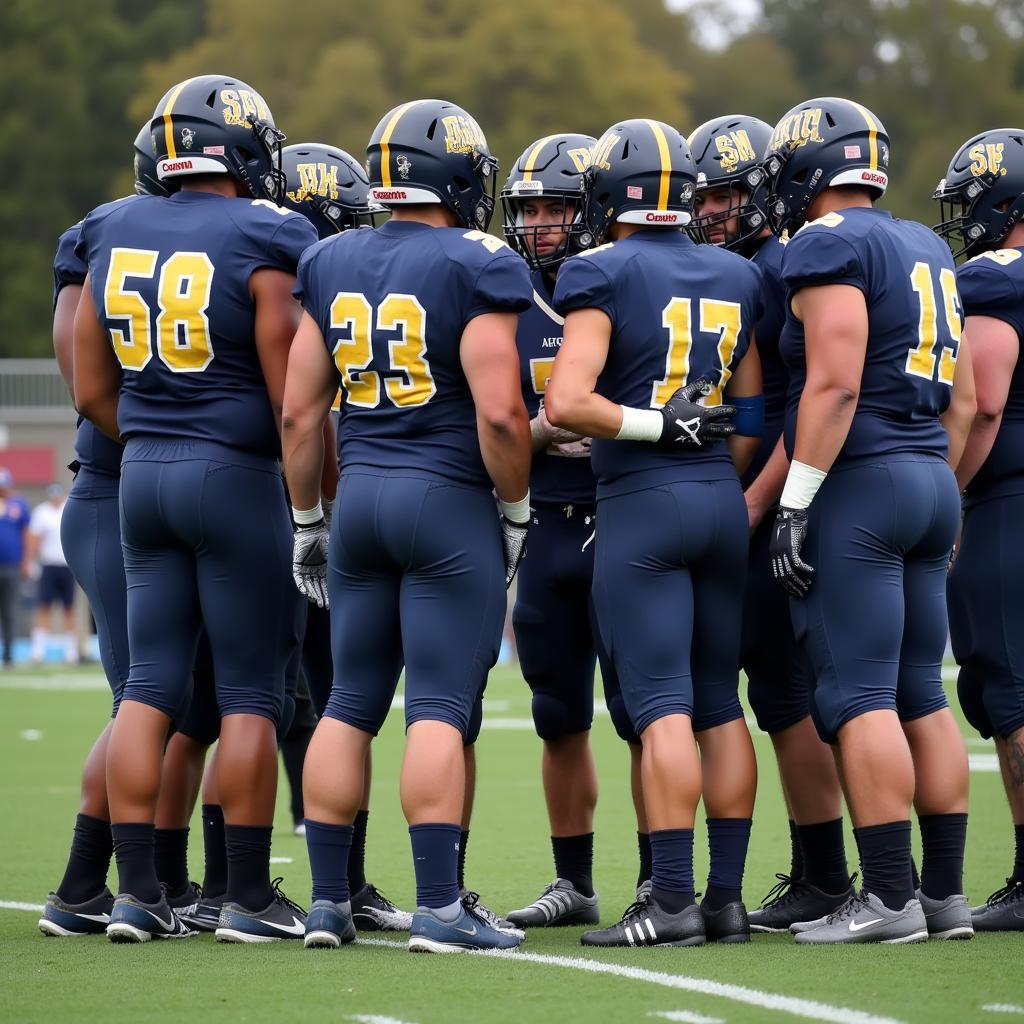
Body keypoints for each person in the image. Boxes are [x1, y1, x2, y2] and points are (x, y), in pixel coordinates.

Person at [281, 98, 532, 953]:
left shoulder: (328, 257)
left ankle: (325, 903)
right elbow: (500, 417)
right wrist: (517, 509)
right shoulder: (479, 259)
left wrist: (309, 516)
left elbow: (299, 415)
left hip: (363, 503)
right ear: (459, 175)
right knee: (435, 705)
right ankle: (438, 905)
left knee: (348, 702)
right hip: (446, 500)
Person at [73, 73, 318, 943]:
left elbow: (90, 383)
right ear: (245, 150)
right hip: (236, 474)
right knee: (253, 692)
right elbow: (293, 394)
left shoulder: (111, 227)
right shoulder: (268, 230)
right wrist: (305, 494)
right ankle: (247, 894)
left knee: (149, 685)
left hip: (140, 472)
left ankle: (138, 890)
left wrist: (155, 431)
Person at [545, 117, 764, 947]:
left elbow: (567, 402)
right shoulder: (737, 274)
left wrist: (651, 429)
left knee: (663, 704)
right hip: (716, 499)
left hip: (641, 500)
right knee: (720, 705)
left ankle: (670, 902)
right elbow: (750, 413)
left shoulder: (598, 270)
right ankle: (726, 900)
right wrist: (711, 466)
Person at [763, 97, 975, 943]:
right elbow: (962, 401)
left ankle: (888, 896)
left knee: (858, 695)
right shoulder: (925, 242)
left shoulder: (828, 241)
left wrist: (795, 500)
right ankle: (945, 897)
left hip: (861, 482)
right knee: (922, 693)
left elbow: (836, 383)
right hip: (927, 472)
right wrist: (940, 484)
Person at [688, 114, 853, 932]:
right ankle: (824, 871)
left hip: (785, 504)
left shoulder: (791, 264)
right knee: (779, 696)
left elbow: (803, 404)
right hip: (752, 500)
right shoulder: (738, 267)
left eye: (726, 192)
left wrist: (756, 503)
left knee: (803, 695)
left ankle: (846, 874)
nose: (710, 209)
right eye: (703, 193)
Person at [497, 133, 647, 929]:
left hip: (624, 518)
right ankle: (575, 881)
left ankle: (662, 878)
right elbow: (478, 419)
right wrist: (537, 429)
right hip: (547, 523)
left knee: (642, 711)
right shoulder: (500, 289)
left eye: (558, 206)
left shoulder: (631, 282)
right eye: (530, 209)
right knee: (558, 712)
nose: (543, 224)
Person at [278, 141, 411, 932]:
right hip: (309, 499)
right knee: (313, 699)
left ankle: (182, 884)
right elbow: (301, 415)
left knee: (294, 701)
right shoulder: (305, 277)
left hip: (281, 496)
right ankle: (280, 888)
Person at [937, 127, 1024, 931]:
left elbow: (985, 399)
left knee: (1011, 688)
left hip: (1008, 508)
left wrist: (950, 489)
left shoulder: (995, 282)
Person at [25, 485, 76, 664]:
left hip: (67, 566)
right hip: (48, 566)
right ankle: (38, 651)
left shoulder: (68, 510)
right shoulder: (42, 512)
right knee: (44, 606)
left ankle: (71, 652)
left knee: (69, 608)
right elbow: (33, 538)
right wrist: (30, 561)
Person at [0, 468, 30, 668]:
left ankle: (9, 655)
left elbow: (26, 533)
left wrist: (26, 561)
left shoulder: (18, 504)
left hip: (11, 566)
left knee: (9, 611)